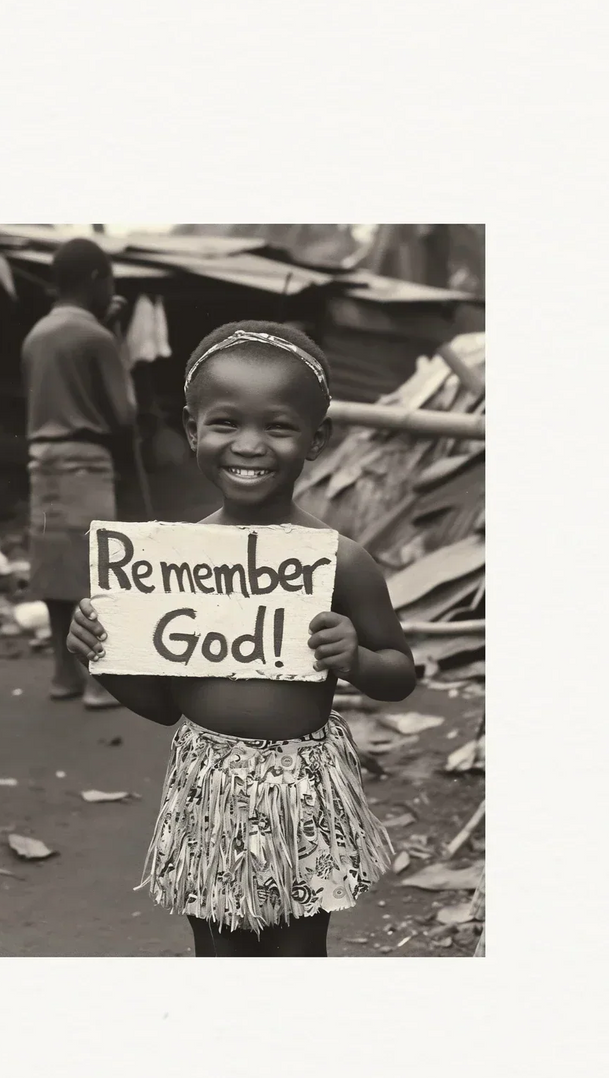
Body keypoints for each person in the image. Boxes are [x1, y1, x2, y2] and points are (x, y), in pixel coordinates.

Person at [65, 320, 417, 956]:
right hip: (208, 783)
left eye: (278, 426)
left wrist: (358, 659)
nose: (250, 445)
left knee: (298, 952)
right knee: (219, 951)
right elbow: (166, 705)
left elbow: (401, 672)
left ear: (317, 440)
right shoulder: (168, 567)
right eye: (226, 423)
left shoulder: (339, 561)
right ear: (193, 429)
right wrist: (103, 659)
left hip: (301, 787)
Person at [21, 238, 134, 708]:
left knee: (54, 567)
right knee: (98, 569)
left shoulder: (37, 335)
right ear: (96, 281)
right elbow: (124, 414)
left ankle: (63, 675)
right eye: (108, 280)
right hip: (86, 464)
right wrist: (115, 337)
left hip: (42, 466)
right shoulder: (96, 337)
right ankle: (98, 680)